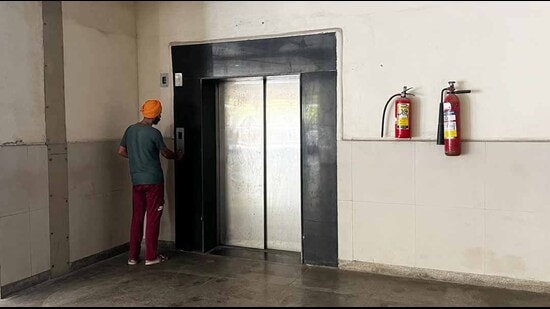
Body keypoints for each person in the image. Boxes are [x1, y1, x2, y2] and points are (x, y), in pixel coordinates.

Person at [118, 99, 182, 266]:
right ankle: (151, 256)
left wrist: (137, 159)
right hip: (153, 181)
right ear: (156, 115)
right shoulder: (154, 133)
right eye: (159, 114)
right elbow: (166, 153)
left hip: (136, 181)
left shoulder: (130, 130)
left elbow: (121, 151)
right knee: (153, 217)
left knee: (137, 217)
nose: (160, 116)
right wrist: (178, 155)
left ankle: (133, 256)